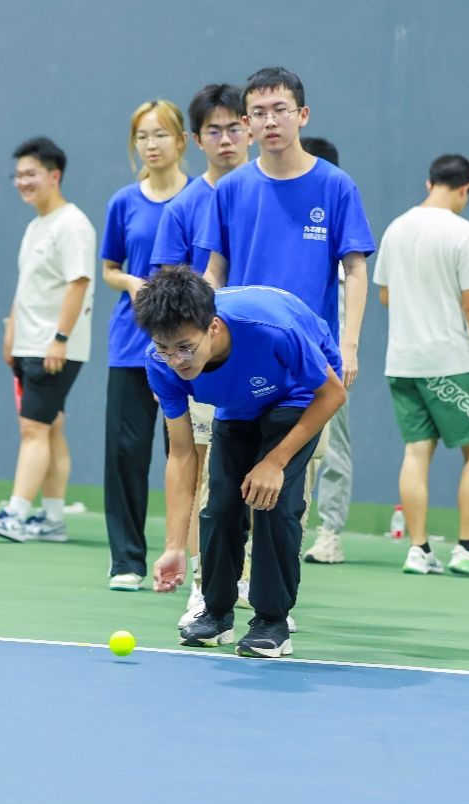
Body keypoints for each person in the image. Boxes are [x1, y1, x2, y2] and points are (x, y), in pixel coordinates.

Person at [199, 69, 375, 614]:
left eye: (280, 109)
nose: (270, 120)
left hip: (307, 370)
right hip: (238, 366)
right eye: (259, 113)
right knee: (222, 497)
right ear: (247, 124)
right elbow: (214, 270)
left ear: (302, 115)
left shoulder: (335, 186)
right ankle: (211, 599)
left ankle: (272, 612)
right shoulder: (231, 189)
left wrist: (349, 345)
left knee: (283, 500)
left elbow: (355, 269)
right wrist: (201, 339)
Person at [137, 268, 345, 658]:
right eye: (164, 348)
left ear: (213, 328)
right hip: (237, 404)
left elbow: (332, 394)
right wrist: (174, 546)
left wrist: (275, 462)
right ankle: (216, 613)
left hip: (299, 395)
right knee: (218, 506)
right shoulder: (161, 363)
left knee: (272, 503)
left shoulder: (273, 330)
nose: (176, 360)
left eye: (185, 347)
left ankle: (272, 621)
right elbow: (181, 454)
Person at [373, 154, 469, 577]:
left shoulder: (396, 228)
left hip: (402, 361)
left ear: (429, 182)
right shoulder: (463, 233)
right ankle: (468, 548)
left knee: (416, 451)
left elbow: (385, 296)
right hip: (450, 361)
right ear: (466, 189)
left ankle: (419, 550)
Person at [149, 83, 252, 624]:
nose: (226, 139)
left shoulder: (266, 193)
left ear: (250, 129)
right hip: (204, 363)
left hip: (260, 360)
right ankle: (204, 582)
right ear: (197, 139)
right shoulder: (184, 207)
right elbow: (164, 291)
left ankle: (255, 583)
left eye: (235, 127)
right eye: (214, 130)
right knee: (208, 471)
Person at [0, 137, 96, 542]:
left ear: (54, 175)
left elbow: (79, 283)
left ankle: (15, 513)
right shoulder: (36, 226)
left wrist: (59, 339)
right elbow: (27, 285)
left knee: (33, 429)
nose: (22, 182)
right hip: (28, 344)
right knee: (50, 427)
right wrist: (11, 330)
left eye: (31, 174)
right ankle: (52, 519)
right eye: (18, 175)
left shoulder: (72, 224)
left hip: (53, 348)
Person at [100, 99, 192, 590]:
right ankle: (127, 561)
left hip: (187, 350)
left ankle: (187, 556)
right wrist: (132, 282)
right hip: (129, 345)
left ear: (181, 140)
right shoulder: (123, 202)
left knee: (186, 452)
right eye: (142, 137)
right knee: (125, 453)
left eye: (160, 135)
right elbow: (109, 269)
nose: (151, 145)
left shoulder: (200, 197)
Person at [298, 137, 353, 565]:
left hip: (328, 358)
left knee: (333, 443)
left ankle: (330, 530)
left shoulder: (338, 223)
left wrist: (347, 351)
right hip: (280, 354)